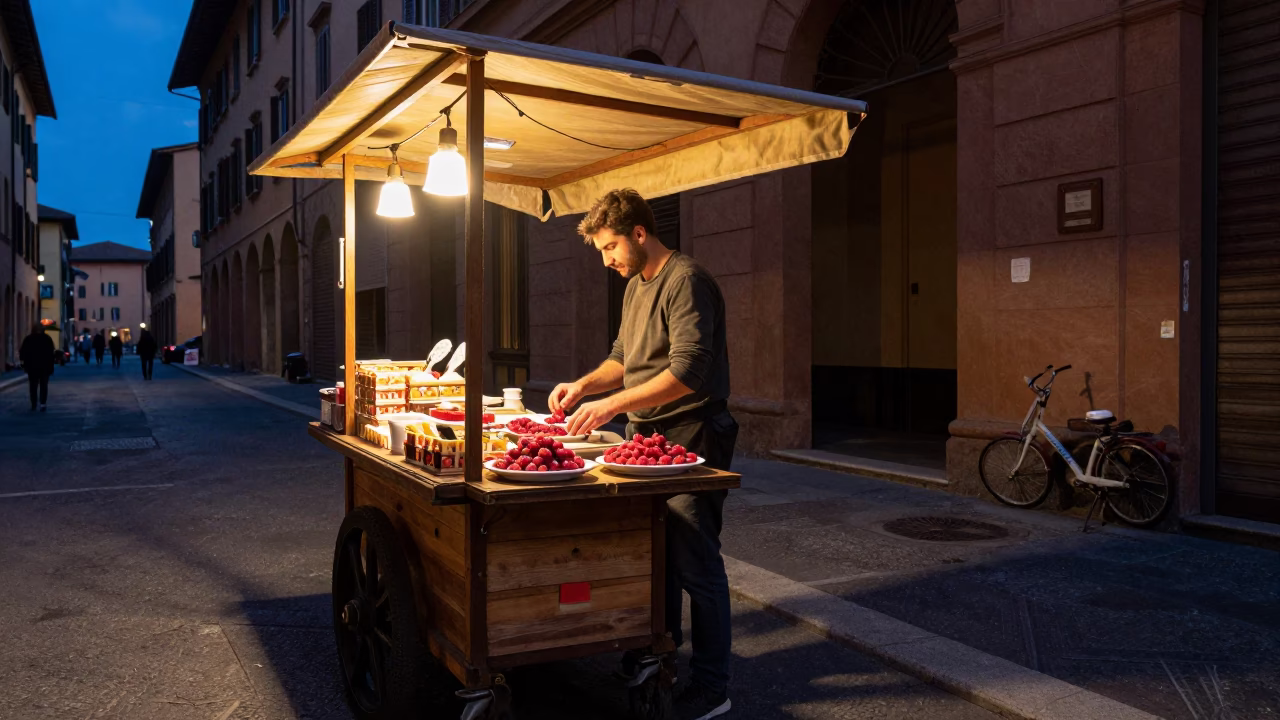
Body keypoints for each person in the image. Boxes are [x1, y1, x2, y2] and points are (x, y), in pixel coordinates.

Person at [550, 189, 737, 720]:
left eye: (610, 248)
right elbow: (621, 357)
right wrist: (584, 386)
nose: (607, 261)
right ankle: (661, 657)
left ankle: (712, 687)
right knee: (657, 553)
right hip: (647, 436)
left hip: (693, 432)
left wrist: (612, 405)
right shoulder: (636, 286)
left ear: (638, 233)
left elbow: (689, 371)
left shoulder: (687, 280)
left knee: (697, 562)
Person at [19, 323, 56, 412]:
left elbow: (23, 352)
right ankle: (42, 403)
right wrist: (51, 366)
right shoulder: (47, 339)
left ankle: (34, 403)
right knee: (43, 385)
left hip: (32, 367)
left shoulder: (28, 339)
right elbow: (51, 353)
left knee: (33, 386)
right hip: (45, 367)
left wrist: (23, 364)